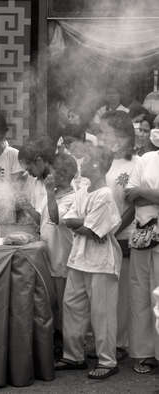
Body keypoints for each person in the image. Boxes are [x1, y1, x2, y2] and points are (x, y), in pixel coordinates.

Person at [56, 145, 122, 380]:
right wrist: (81, 223)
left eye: (89, 161)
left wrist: (80, 223)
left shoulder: (104, 194)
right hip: (79, 259)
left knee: (101, 313)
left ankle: (107, 361)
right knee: (72, 306)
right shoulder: (83, 188)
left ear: (99, 167)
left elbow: (93, 231)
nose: (82, 163)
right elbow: (68, 219)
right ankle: (73, 356)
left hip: (101, 262)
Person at [98, 110, 140, 362]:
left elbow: (134, 205)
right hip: (99, 236)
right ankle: (108, 342)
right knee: (104, 296)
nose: (102, 136)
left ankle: (122, 343)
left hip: (123, 236)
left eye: (106, 132)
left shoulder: (136, 163)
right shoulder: (101, 161)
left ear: (123, 136)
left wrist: (114, 228)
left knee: (123, 296)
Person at [125, 143, 159, 374]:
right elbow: (129, 195)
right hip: (142, 236)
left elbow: (137, 193)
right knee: (140, 295)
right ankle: (144, 354)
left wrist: (142, 193)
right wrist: (153, 196)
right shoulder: (145, 159)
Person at [40, 152, 77, 358]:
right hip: (48, 257)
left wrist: (48, 193)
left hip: (61, 260)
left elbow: (55, 218)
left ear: (62, 175)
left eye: (54, 170)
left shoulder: (72, 197)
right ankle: (54, 341)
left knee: (62, 306)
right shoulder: (54, 193)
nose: (50, 174)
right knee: (51, 304)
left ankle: (64, 346)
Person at [16, 136, 56, 225]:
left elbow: (48, 221)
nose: (29, 174)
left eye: (29, 169)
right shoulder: (36, 181)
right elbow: (38, 219)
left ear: (39, 161)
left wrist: (27, 206)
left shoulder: (58, 182)